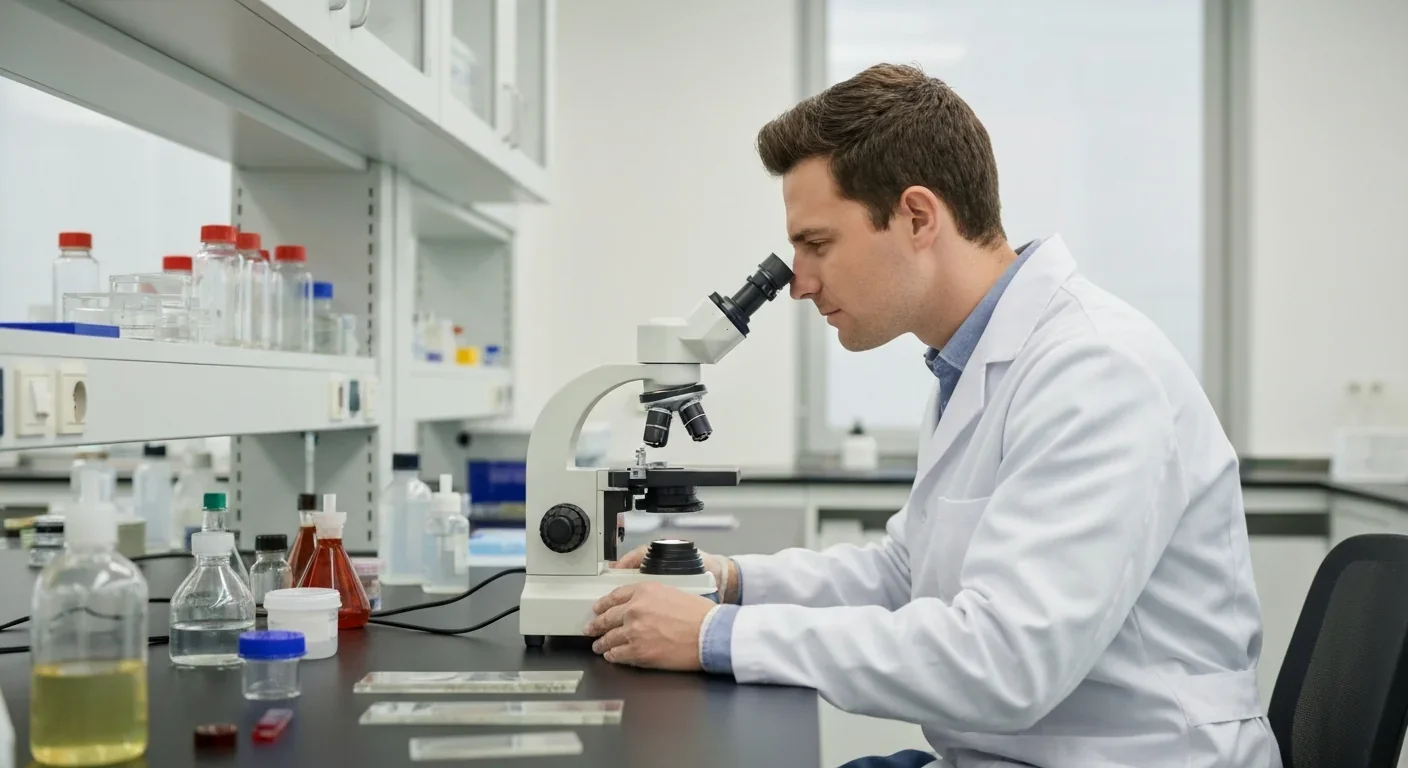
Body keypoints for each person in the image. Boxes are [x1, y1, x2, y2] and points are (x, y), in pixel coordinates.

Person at [584, 63, 1279, 768]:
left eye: (817, 244)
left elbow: (1005, 663)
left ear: (917, 216)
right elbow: (906, 575)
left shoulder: (1095, 372)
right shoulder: (972, 362)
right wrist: (736, 581)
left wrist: (715, 635)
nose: (799, 283)